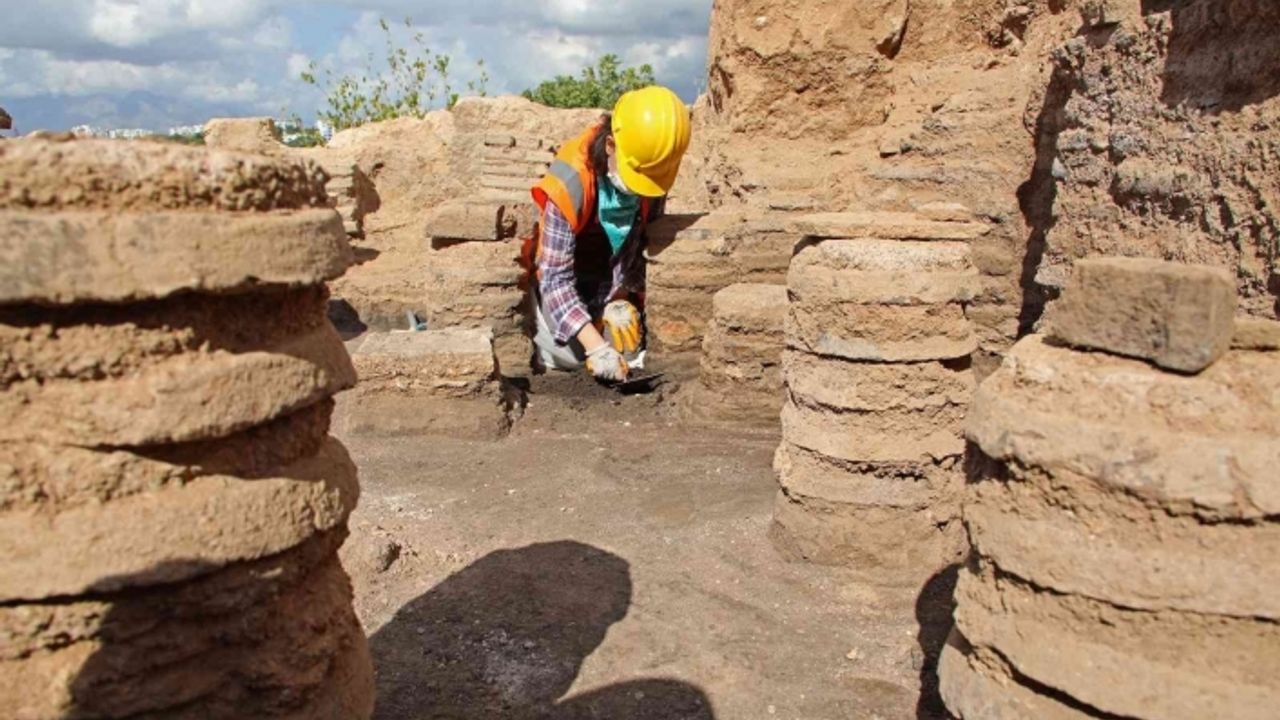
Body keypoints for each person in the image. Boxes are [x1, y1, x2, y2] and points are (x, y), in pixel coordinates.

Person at [524, 86, 691, 382]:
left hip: (608, 277)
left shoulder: (652, 169)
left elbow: (641, 249)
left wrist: (622, 298)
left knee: (627, 342)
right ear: (611, 146)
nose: (643, 188)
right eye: (637, 178)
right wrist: (595, 346)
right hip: (566, 281)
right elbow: (554, 277)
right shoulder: (569, 182)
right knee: (570, 354)